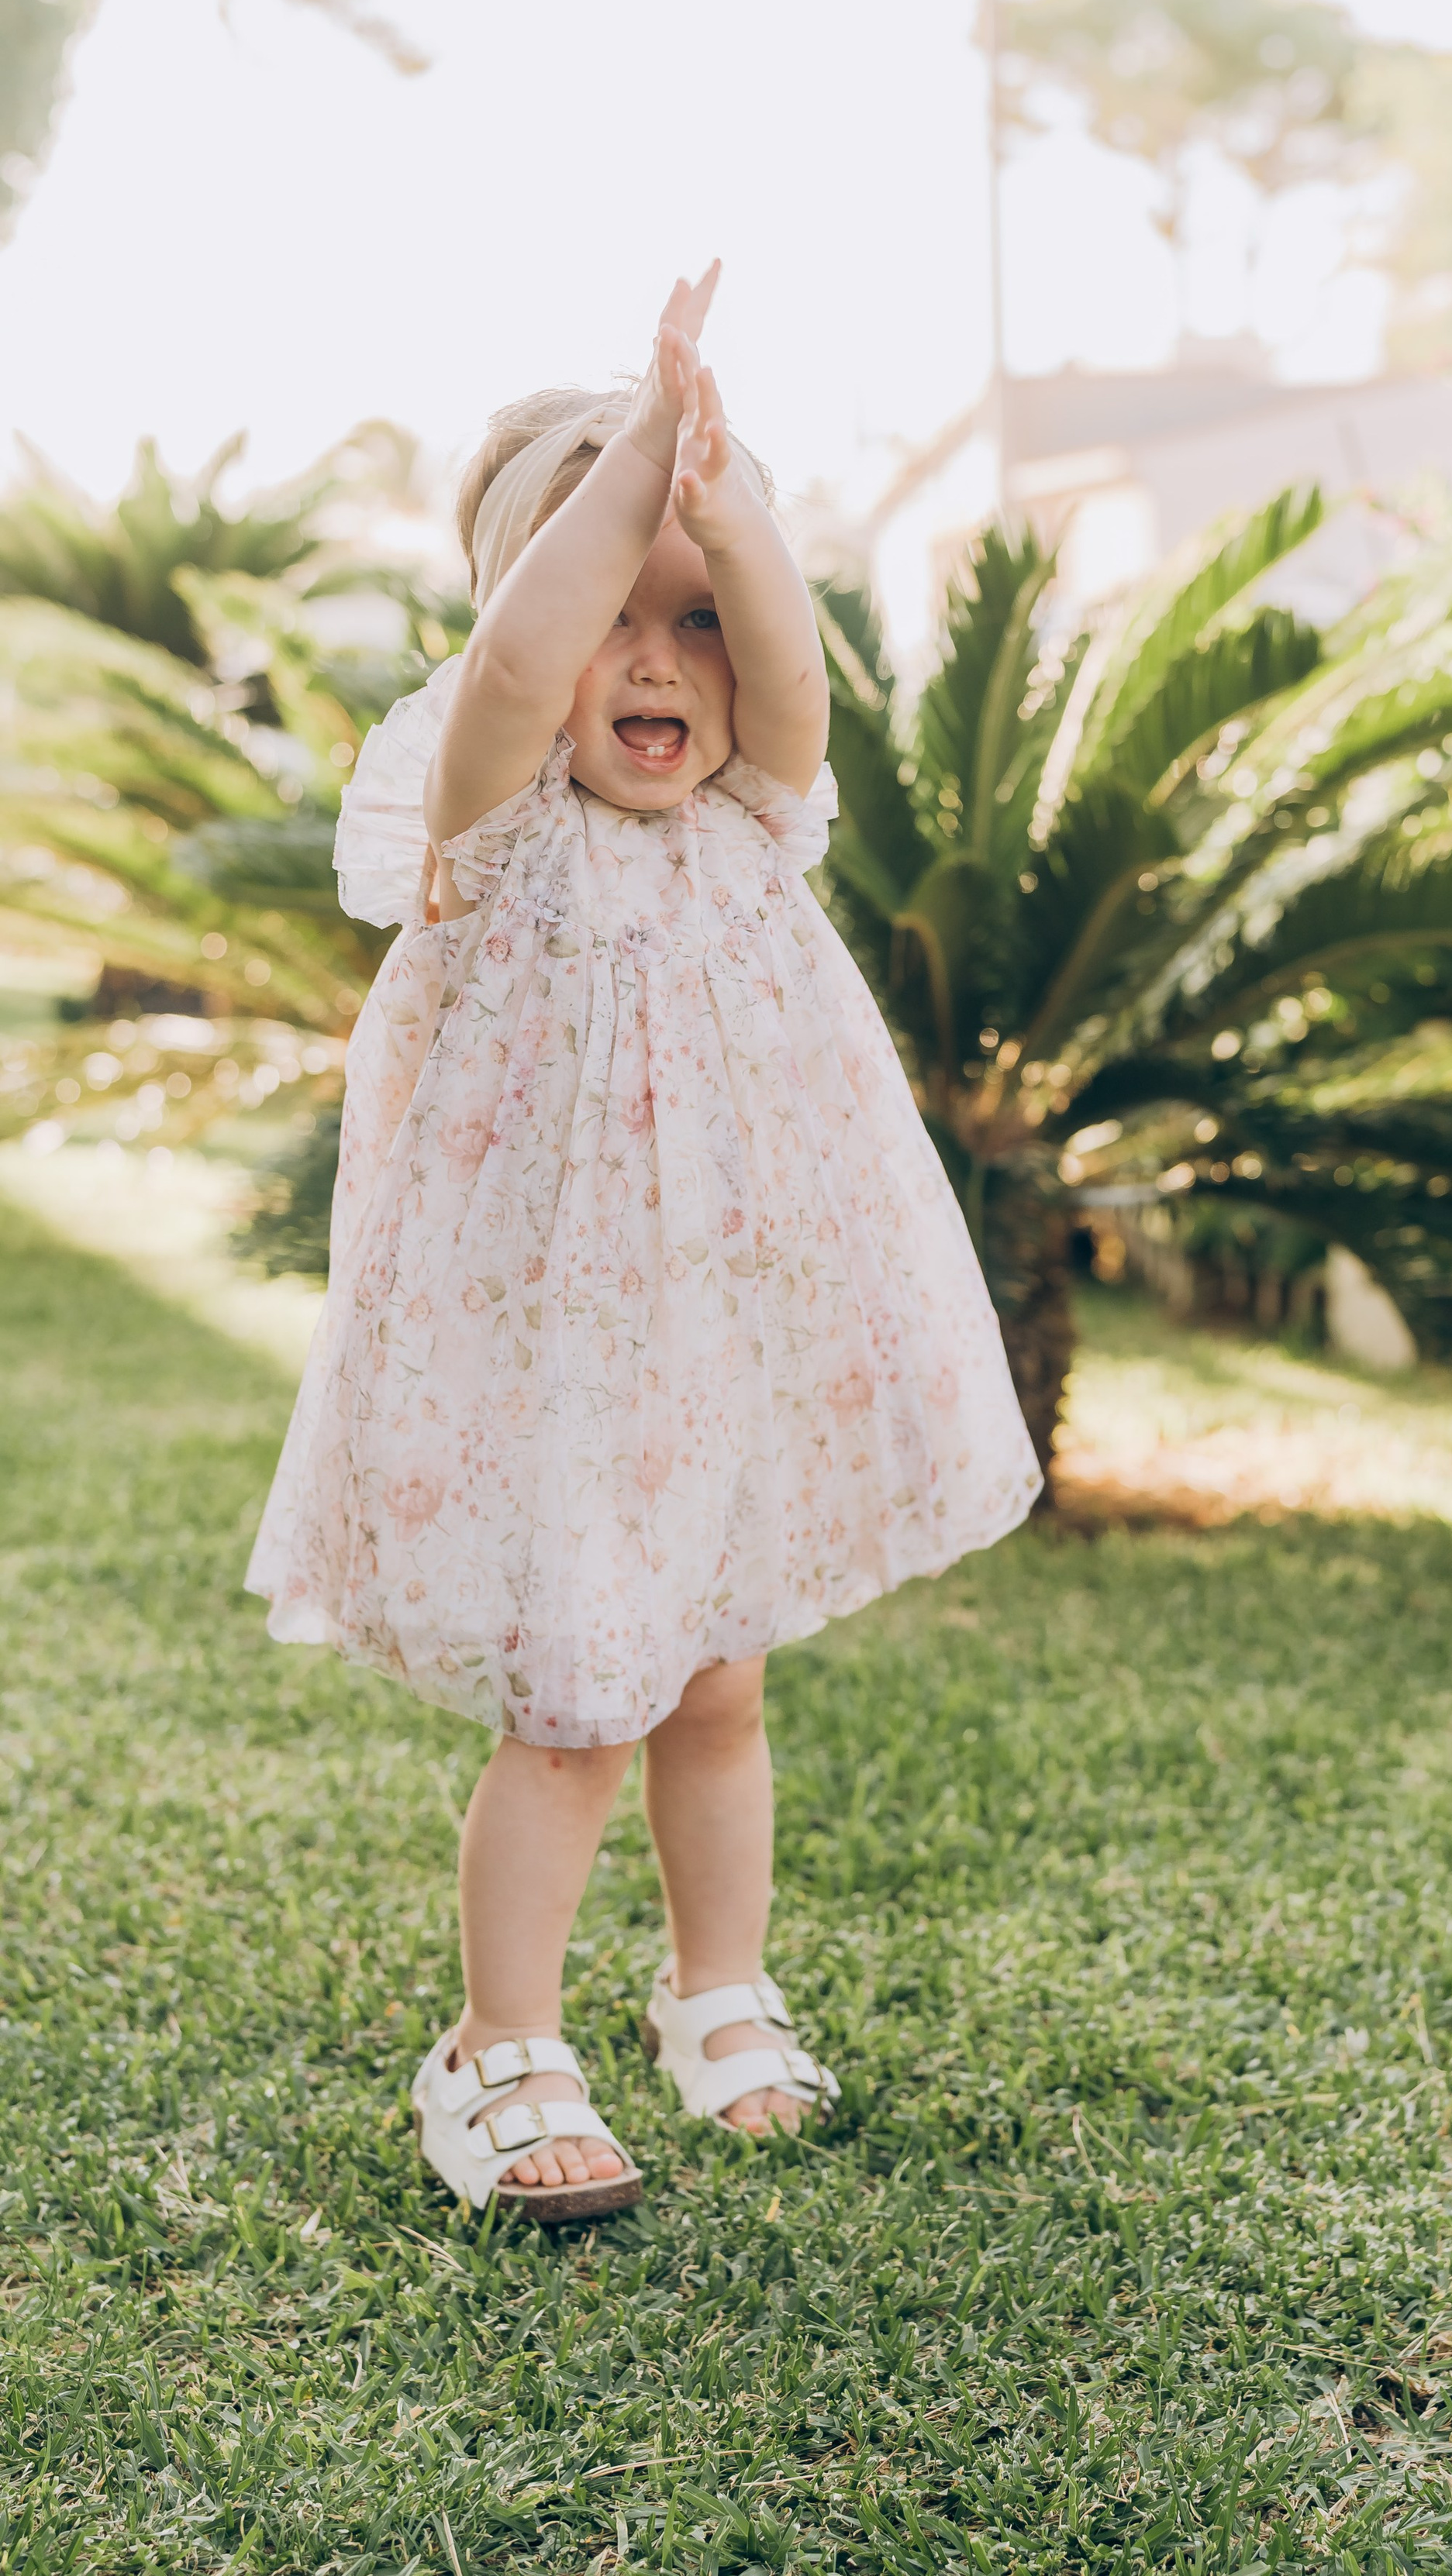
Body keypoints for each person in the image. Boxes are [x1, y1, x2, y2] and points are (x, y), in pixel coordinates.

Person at [246, 267, 1040, 2221]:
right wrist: (628, 477)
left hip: (721, 1348)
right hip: (540, 1359)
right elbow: (518, 672)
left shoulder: (759, 818)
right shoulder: (486, 822)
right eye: (612, 608)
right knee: (577, 1708)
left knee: (717, 1686)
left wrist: (724, 500)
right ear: (518, 624)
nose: (654, 654)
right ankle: (497, 2050)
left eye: (690, 614)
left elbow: (797, 672)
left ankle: (719, 1993)